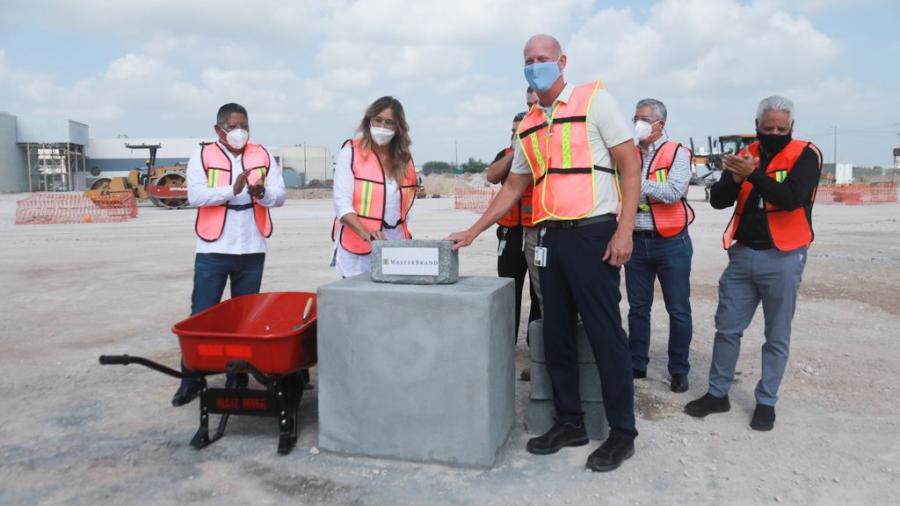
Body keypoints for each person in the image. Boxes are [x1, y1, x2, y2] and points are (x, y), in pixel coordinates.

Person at [448, 34, 641, 472]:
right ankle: (570, 421)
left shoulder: (597, 103)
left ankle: (622, 433)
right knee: (554, 331)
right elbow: (514, 186)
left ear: (562, 62)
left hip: (594, 235)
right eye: (529, 60)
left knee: (605, 333)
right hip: (548, 238)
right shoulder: (528, 124)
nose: (536, 66)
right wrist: (476, 230)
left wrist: (624, 230)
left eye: (543, 59)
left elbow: (630, 165)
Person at [684, 96, 822, 431]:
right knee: (727, 328)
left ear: (792, 127)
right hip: (743, 253)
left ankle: (766, 402)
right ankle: (718, 393)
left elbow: (791, 199)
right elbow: (718, 201)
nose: (774, 132)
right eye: (767, 127)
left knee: (777, 334)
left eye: (781, 128)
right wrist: (733, 177)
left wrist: (753, 174)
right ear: (756, 125)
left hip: (784, 255)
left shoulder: (806, 154)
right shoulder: (748, 155)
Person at [172, 102, 286, 406]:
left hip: (252, 246)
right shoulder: (203, 154)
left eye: (245, 126)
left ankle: (238, 376)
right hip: (214, 248)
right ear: (218, 129)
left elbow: (281, 195)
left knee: (245, 317)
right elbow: (194, 195)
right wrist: (231, 190)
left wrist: (263, 194)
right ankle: (190, 379)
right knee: (202, 313)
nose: (240, 132)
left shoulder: (261, 154)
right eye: (234, 126)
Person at [626, 98, 695, 393]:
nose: (637, 123)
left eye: (643, 119)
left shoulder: (677, 152)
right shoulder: (627, 153)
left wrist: (637, 186)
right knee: (637, 308)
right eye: (635, 118)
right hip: (636, 243)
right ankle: (636, 362)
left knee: (677, 309)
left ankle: (678, 369)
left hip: (671, 243)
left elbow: (673, 191)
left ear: (660, 125)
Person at [331, 96, 417, 277]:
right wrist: (365, 232)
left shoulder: (405, 161)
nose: (382, 127)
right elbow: (342, 204)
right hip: (358, 249)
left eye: (389, 123)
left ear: (398, 128)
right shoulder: (350, 153)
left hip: (395, 247)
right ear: (368, 121)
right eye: (378, 120)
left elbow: (404, 209)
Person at [485, 105, 542, 362]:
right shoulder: (505, 154)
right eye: (512, 132)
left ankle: (537, 344)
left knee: (538, 293)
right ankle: (506, 343)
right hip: (509, 233)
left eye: (521, 132)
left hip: (536, 230)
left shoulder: (540, 153)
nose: (515, 135)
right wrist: (514, 152)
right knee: (508, 290)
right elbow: (492, 176)